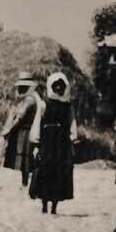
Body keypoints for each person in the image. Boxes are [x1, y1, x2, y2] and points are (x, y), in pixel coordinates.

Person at [29, 72, 77, 214]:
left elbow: (72, 122)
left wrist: (72, 138)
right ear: (51, 87)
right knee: (45, 170)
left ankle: (54, 205)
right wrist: (36, 143)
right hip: (47, 142)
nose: (58, 89)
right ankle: (44, 203)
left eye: (61, 87)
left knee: (59, 172)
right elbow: (38, 122)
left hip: (62, 143)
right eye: (55, 86)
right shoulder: (44, 104)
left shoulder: (68, 107)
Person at [0, 71, 43, 187]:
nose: (21, 89)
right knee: (25, 159)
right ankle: (25, 182)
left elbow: (20, 117)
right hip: (23, 131)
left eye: (24, 86)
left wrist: (9, 129)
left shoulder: (30, 100)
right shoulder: (29, 98)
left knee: (26, 159)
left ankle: (27, 183)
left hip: (26, 132)